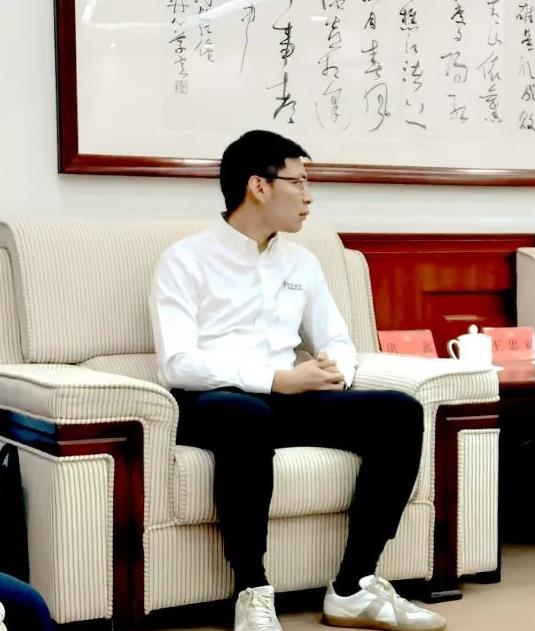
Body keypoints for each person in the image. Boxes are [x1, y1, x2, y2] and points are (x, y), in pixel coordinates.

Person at [151, 130, 445, 631]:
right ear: (258, 186)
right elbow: (177, 363)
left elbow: (338, 340)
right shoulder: (185, 259)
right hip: (213, 402)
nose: (309, 196)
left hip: (288, 400)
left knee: (399, 411)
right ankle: (252, 590)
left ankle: (353, 587)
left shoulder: (302, 263)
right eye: (299, 182)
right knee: (246, 414)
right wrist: (275, 379)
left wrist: (335, 372)